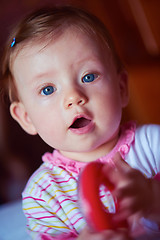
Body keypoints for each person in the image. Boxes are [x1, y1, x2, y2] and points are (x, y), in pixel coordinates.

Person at [1, 5, 160, 240]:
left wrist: (153, 198)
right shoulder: (43, 194)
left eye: (89, 76)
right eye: (48, 89)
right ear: (26, 118)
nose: (73, 97)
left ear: (121, 88)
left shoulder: (153, 145)